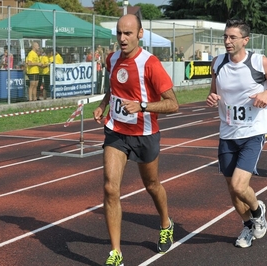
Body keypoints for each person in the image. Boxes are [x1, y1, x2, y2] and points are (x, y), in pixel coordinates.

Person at [92, 14, 179, 266]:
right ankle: (116, 253)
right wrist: (103, 105)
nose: (122, 38)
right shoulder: (112, 59)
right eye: (119, 33)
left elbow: (173, 104)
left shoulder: (150, 64)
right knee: (110, 187)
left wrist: (142, 106)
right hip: (116, 132)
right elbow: (113, 88)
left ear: (140, 34)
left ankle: (165, 223)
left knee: (151, 185)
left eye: (128, 33)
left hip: (145, 134)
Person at [206, 19, 267, 248]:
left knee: (239, 186)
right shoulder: (218, 63)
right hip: (227, 132)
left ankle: (257, 210)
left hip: (253, 130)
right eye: (225, 36)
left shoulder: (258, 62)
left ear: (245, 40)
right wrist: (212, 98)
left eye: (232, 37)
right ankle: (248, 226)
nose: (227, 41)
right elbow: (214, 92)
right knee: (232, 191)